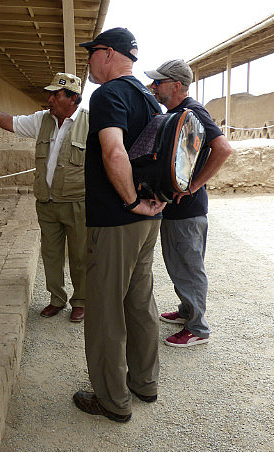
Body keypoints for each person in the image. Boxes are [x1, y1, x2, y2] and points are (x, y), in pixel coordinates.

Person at [73, 28, 166, 423]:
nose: (88, 62)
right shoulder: (149, 98)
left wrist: (129, 202)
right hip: (148, 220)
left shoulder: (108, 95)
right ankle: (144, 382)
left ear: (108, 53)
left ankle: (112, 400)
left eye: (91, 53)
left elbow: (114, 152)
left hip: (117, 221)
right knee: (139, 302)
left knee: (106, 311)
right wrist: (147, 203)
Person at [0, 73, 88, 322]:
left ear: (73, 98)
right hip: (46, 203)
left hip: (77, 203)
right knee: (51, 254)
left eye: (56, 94)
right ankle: (57, 299)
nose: (50, 99)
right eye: (50, 94)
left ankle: (81, 301)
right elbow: (11, 122)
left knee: (80, 255)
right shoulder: (42, 119)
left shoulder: (91, 123)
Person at [145, 59, 232, 347]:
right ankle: (186, 311)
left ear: (176, 85)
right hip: (175, 207)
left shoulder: (193, 111)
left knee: (189, 266)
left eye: (159, 82)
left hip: (188, 210)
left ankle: (198, 328)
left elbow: (223, 148)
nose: (154, 86)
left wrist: (194, 186)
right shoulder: (177, 113)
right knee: (178, 263)